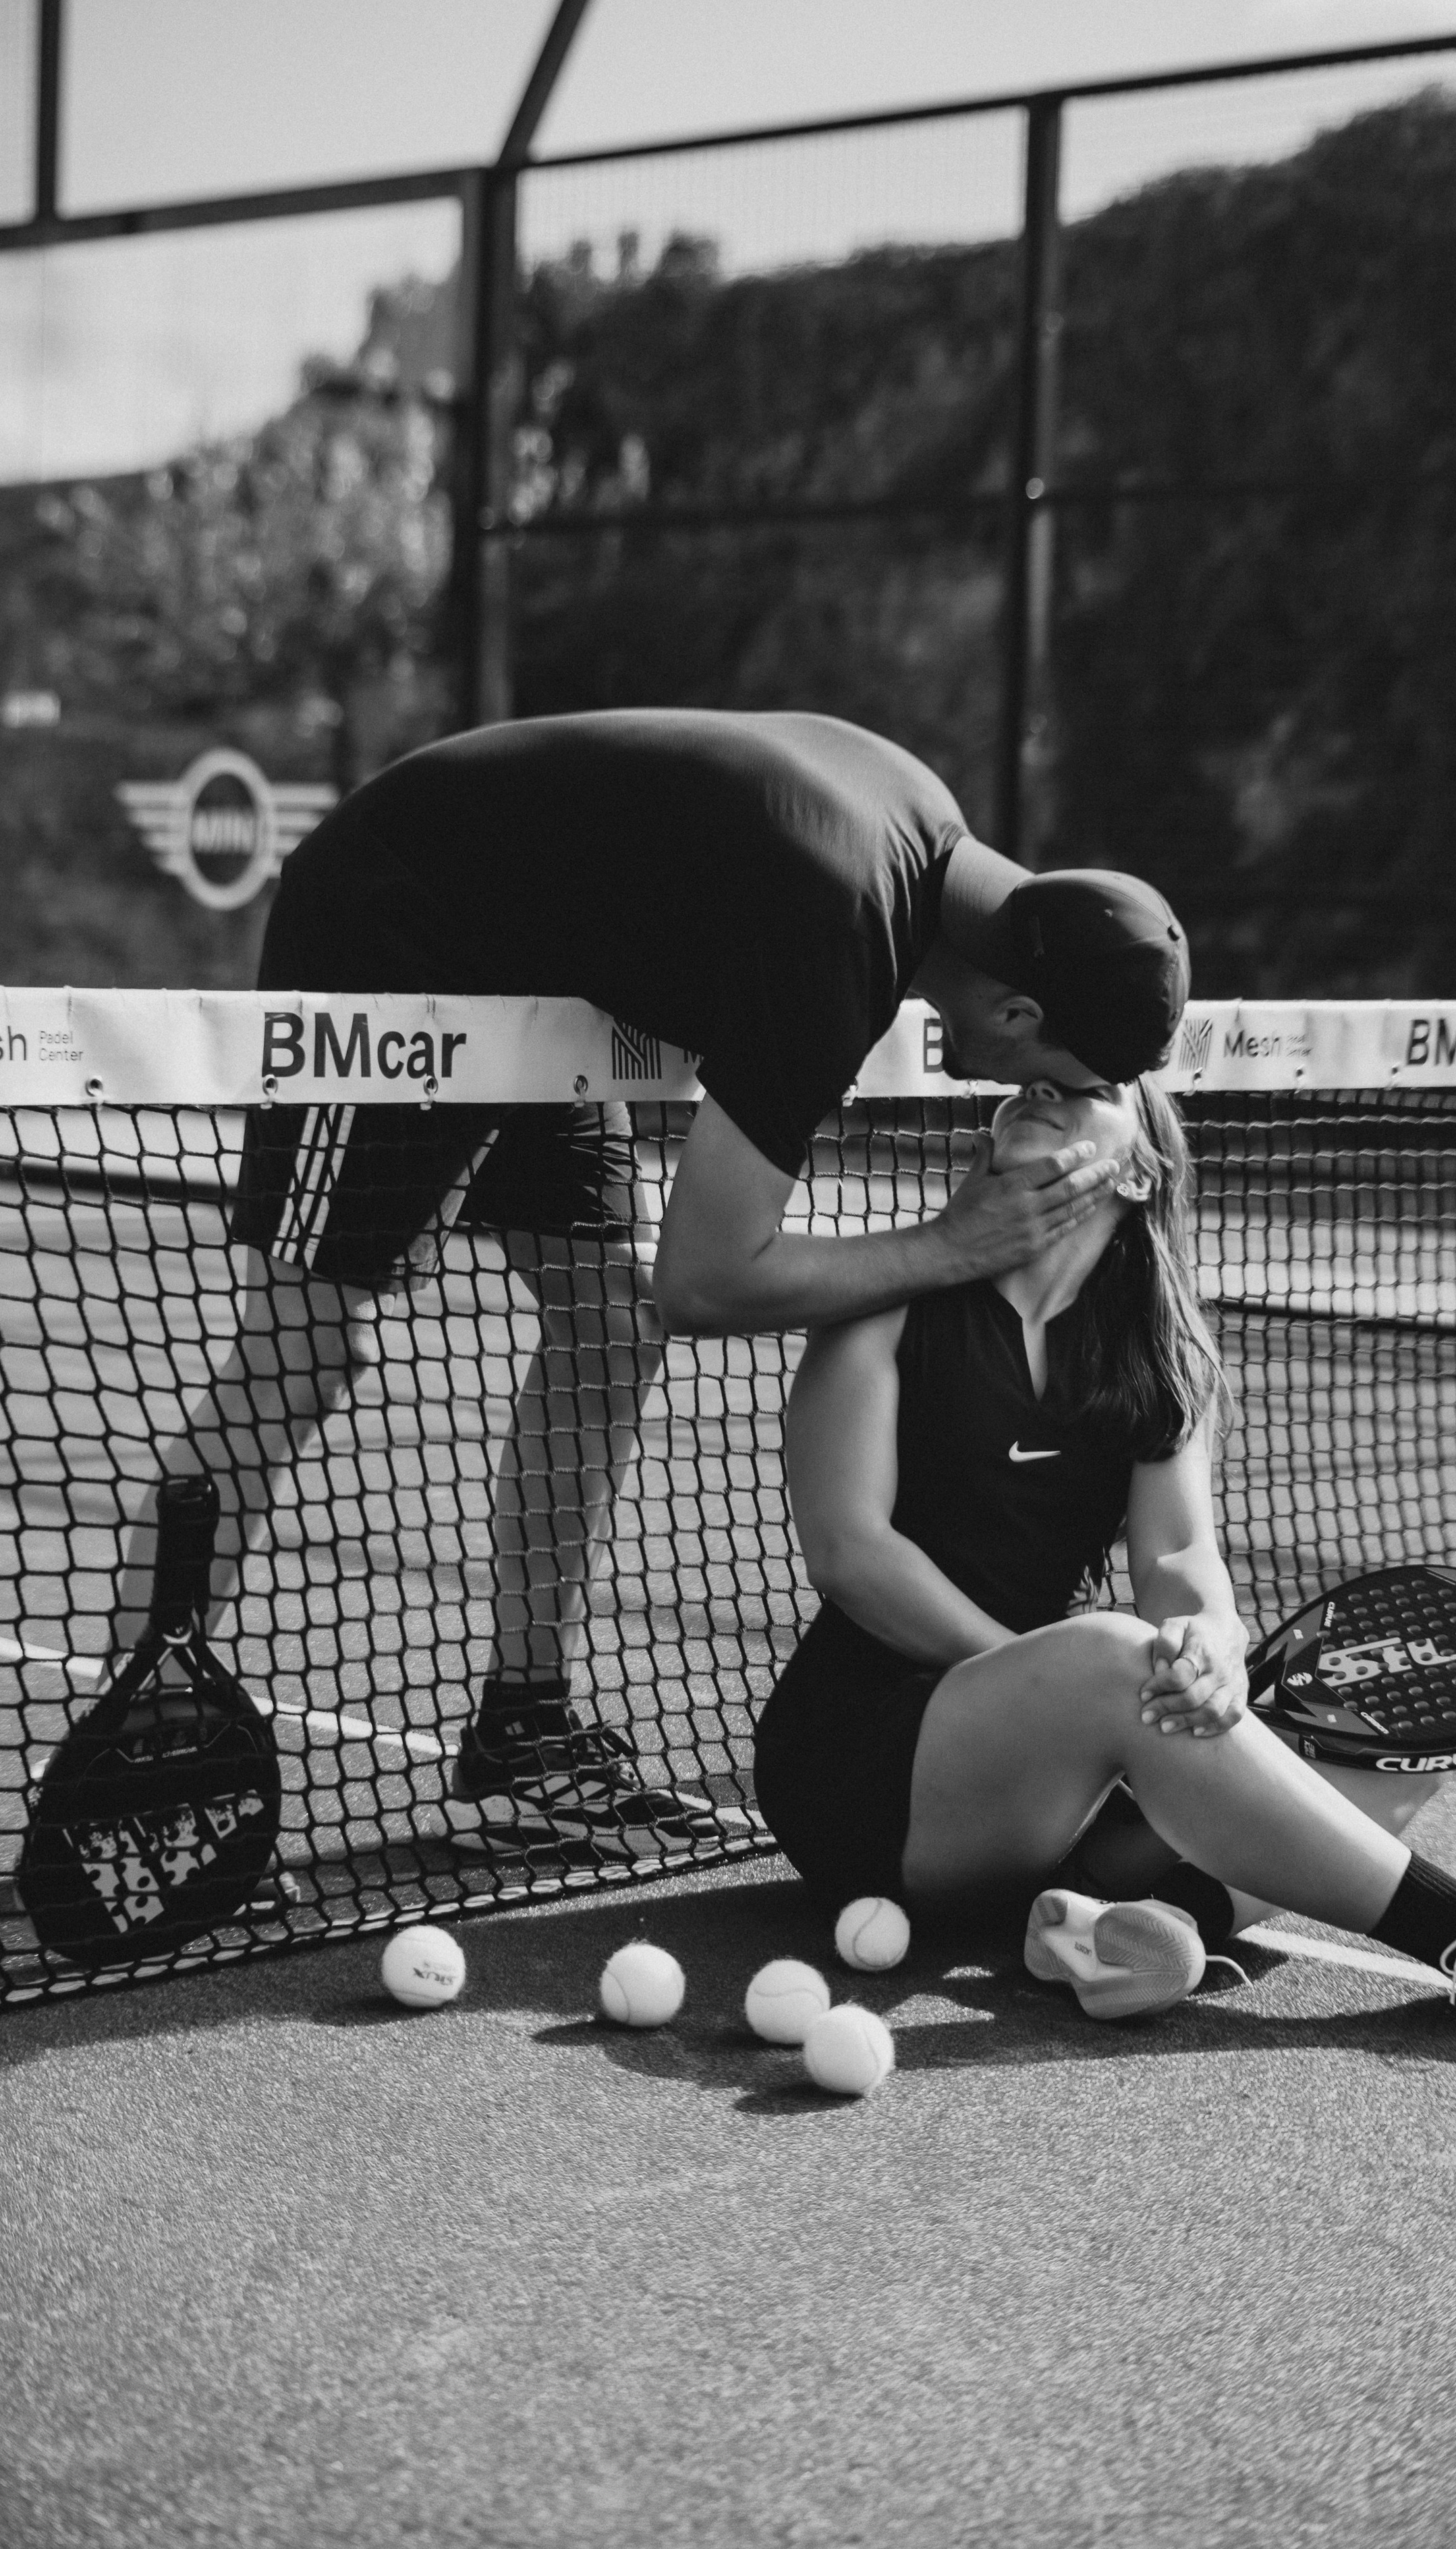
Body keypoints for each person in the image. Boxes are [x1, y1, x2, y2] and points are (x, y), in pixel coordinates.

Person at [110, 709, 1192, 1857]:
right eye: (1061, 1079)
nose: (1034, 1098)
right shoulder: (841, 934)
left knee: (609, 1324)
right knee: (302, 1352)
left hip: (540, 963)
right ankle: (140, 1742)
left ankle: (524, 1729)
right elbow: (709, 1279)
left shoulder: (926, 845)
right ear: (1017, 1013)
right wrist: (958, 1243)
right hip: (398, 925)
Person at [756, 1068, 1456, 2038]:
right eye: (1029, 1082)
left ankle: (1140, 1929)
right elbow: (850, 1551)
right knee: (1115, 1656)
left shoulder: (1160, 1352)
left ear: (1139, 1169)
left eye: (1084, 1086)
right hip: (864, 1774)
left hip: (1056, 1804)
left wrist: (1209, 1647)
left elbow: (1179, 1556)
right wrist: (1079, 1694)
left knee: (1397, 1734)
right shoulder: (888, 1304)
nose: (1040, 1089)